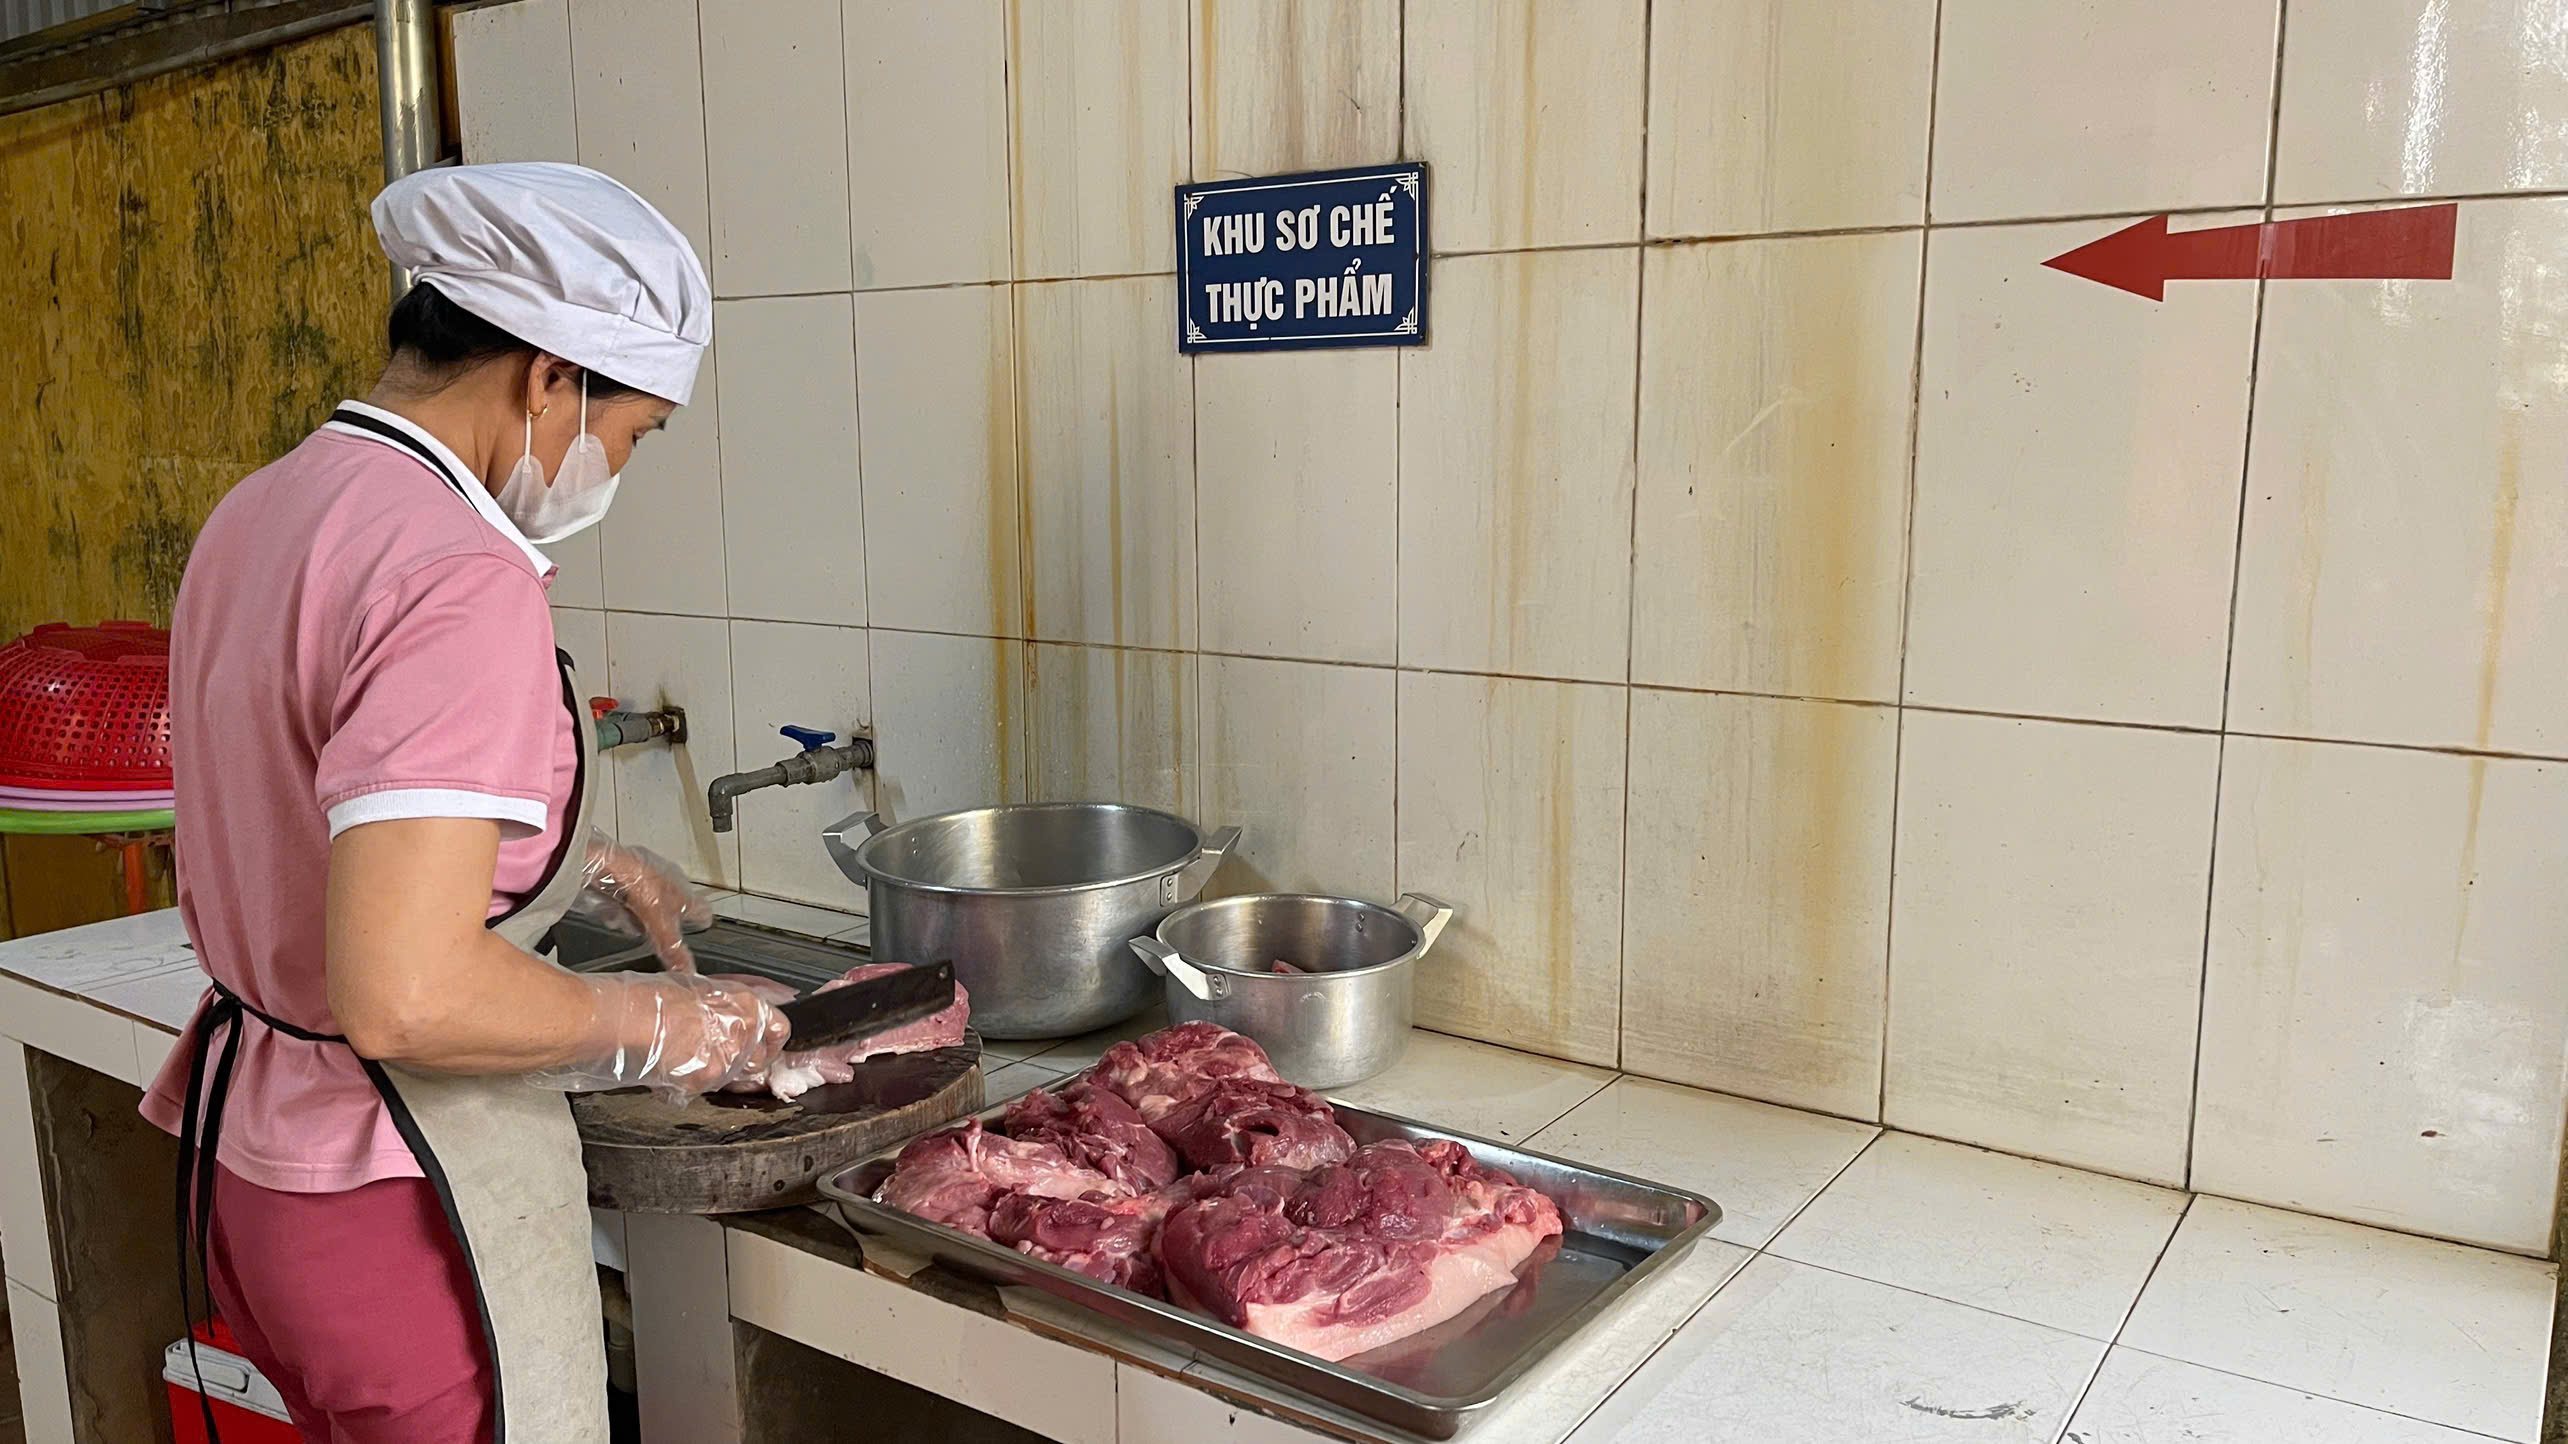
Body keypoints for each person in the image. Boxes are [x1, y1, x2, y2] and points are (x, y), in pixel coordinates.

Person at [139, 161, 787, 1444]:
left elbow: (301, 796)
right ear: (550, 378)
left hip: (253, 1176)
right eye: (635, 430)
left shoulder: (268, 506)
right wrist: (662, 1023)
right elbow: (410, 992)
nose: (618, 464)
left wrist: (566, 857)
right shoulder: (458, 571)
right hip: (389, 1199)